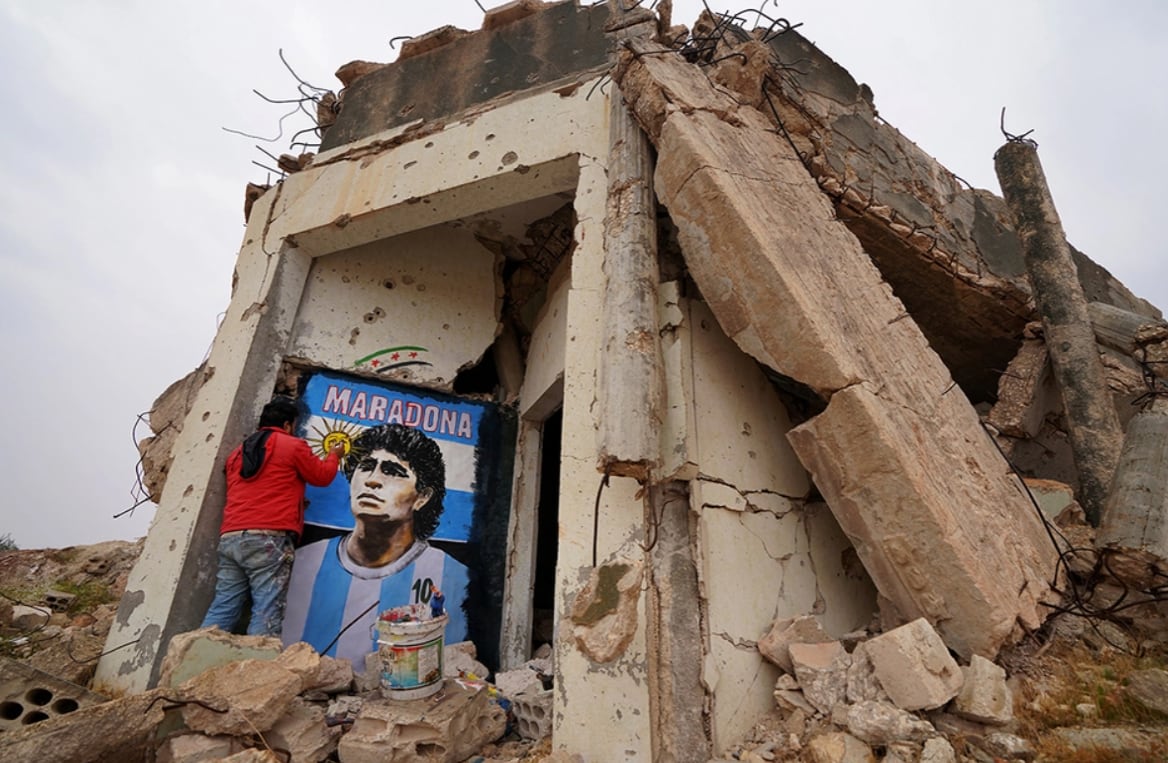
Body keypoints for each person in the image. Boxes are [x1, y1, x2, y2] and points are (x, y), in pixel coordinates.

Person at [282, 423, 468, 668]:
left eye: (392, 471)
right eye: (366, 467)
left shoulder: (456, 577)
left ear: (422, 497)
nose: (372, 481)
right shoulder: (305, 560)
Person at [201, 396, 344, 636]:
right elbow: (321, 476)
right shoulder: (292, 445)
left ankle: (191, 662)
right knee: (267, 611)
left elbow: (261, 486)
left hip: (231, 537)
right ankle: (260, 671)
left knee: (224, 606)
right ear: (288, 424)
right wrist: (333, 456)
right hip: (268, 540)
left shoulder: (237, 454)